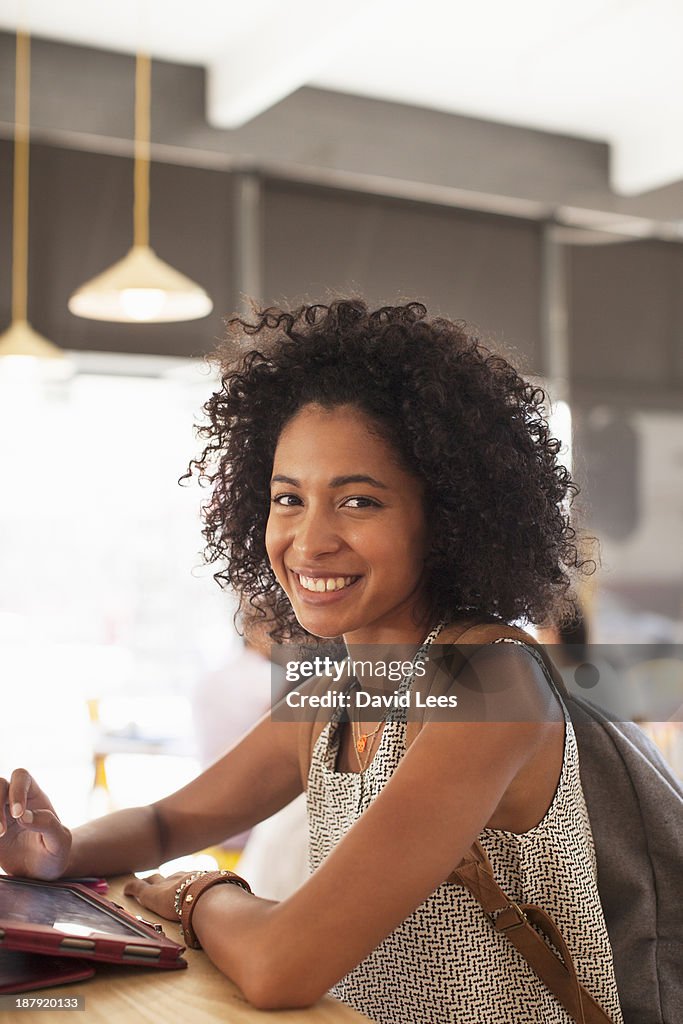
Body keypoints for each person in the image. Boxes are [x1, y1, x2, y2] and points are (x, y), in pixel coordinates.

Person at [0, 300, 623, 1023]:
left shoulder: (489, 683)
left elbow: (279, 967)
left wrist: (197, 893)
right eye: (288, 498)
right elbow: (167, 825)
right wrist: (60, 852)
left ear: (447, 518)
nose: (309, 540)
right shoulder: (334, 693)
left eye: (358, 501)